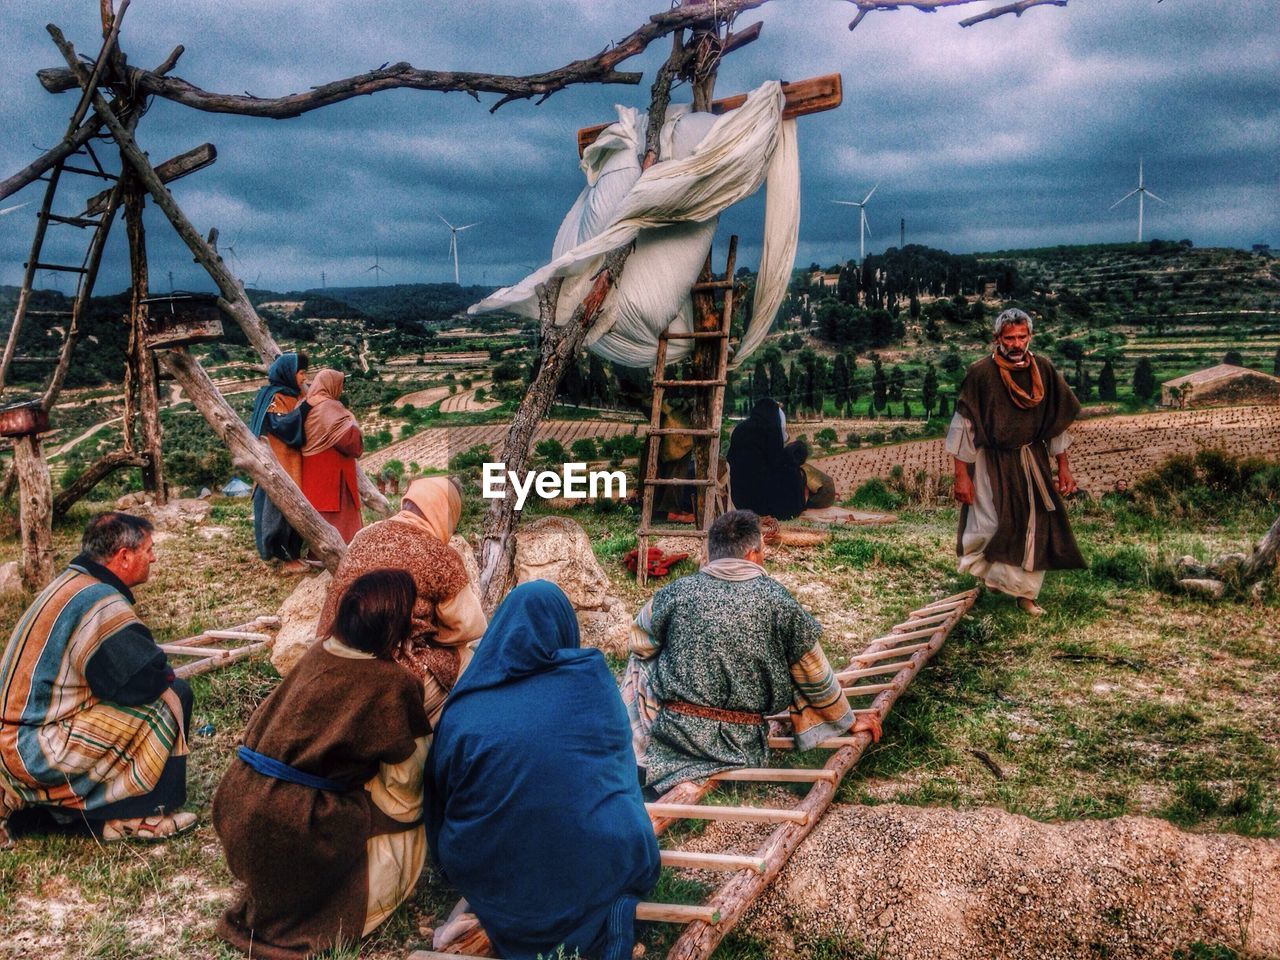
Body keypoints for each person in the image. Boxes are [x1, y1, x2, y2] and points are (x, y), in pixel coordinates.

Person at [426, 581, 659, 960]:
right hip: (595, 858)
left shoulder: (466, 703)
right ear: (564, 628)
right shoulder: (590, 681)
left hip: (490, 863)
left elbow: (440, 796)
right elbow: (620, 776)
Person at [214, 569, 430, 959]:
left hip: (238, 804)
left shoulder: (317, 652)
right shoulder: (393, 684)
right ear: (394, 624)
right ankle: (337, 904)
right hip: (299, 826)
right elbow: (407, 789)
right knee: (408, 826)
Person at [621, 509, 879, 795]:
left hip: (677, 737)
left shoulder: (675, 592)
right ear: (755, 552)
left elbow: (638, 642)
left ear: (711, 553)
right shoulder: (778, 600)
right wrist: (849, 721)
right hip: (741, 744)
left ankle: (637, 755)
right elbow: (814, 673)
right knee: (799, 658)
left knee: (640, 660)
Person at [0, 512, 194, 846]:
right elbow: (147, 679)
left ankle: (49, 808)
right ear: (124, 556)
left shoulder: (70, 584)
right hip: (36, 752)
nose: (153, 557)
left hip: (12, 743)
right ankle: (140, 813)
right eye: (148, 549)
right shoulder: (99, 599)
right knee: (173, 695)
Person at [947, 308, 1085, 616]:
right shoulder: (981, 373)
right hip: (989, 462)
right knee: (991, 526)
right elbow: (963, 426)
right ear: (996, 338)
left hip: (1031, 461)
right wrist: (961, 475)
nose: (1016, 343)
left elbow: (1056, 424)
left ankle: (1025, 596)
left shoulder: (1044, 370)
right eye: (1009, 337)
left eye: (1022, 337)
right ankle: (996, 579)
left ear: (1030, 337)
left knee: (1032, 527)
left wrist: (1063, 467)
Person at [317, 476, 486, 725]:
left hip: (327, 661)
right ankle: (436, 733)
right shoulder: (440, 556)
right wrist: (430, 634)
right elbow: (470, 627)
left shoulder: (364, 535)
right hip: (385, 679)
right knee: (469, 659)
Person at [248, 351, 310, 574]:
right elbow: (282, 426)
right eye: (301, 372)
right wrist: (305, 408)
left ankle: (291, 554)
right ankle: (285, 559)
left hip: (290, 464)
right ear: (288, 373)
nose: (304, 378)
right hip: (278, 467)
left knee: (290, 512)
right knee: (279, 513)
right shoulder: (274, 397)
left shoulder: (290, 394)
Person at [726, 397, 835, 520]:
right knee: (790, 474)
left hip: (740, 499)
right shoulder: (770, 430)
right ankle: (791, 508)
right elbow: (776, 462)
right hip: (761, 503)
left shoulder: (740, 428)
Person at [301, 368, 364, 544]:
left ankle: (317, 553)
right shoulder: (330, 407)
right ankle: (344, 551)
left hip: (312, 470)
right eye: (340, 385)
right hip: (333, 473)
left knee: (321, 513)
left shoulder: (306, 404)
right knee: (339, 518)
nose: (341, 389)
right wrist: (352, 422)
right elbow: (351, 442)